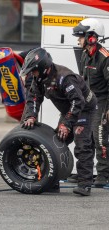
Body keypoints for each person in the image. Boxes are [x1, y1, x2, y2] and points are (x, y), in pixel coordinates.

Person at [20, 48, 97, 196]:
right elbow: (34, 98)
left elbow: (77, 101)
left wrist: (67, 124)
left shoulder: (65, 77)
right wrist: (31, 116)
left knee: (82, 145)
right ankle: (52, 182)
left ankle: (85, 184)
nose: (32, 74)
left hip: (84, 108)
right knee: (55, 143)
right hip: (69, 109)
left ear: (43, 67)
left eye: (33, 70)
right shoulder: (39, 79)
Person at [71, 18, 109, 187]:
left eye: (80, 37)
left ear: (91, 37)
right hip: (89, 101)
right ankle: (85, 173)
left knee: (99, 136)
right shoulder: (85, 54)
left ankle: (104, 176)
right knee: (85, 137)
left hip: (103, 101)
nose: (78, 40)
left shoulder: (105, 57)